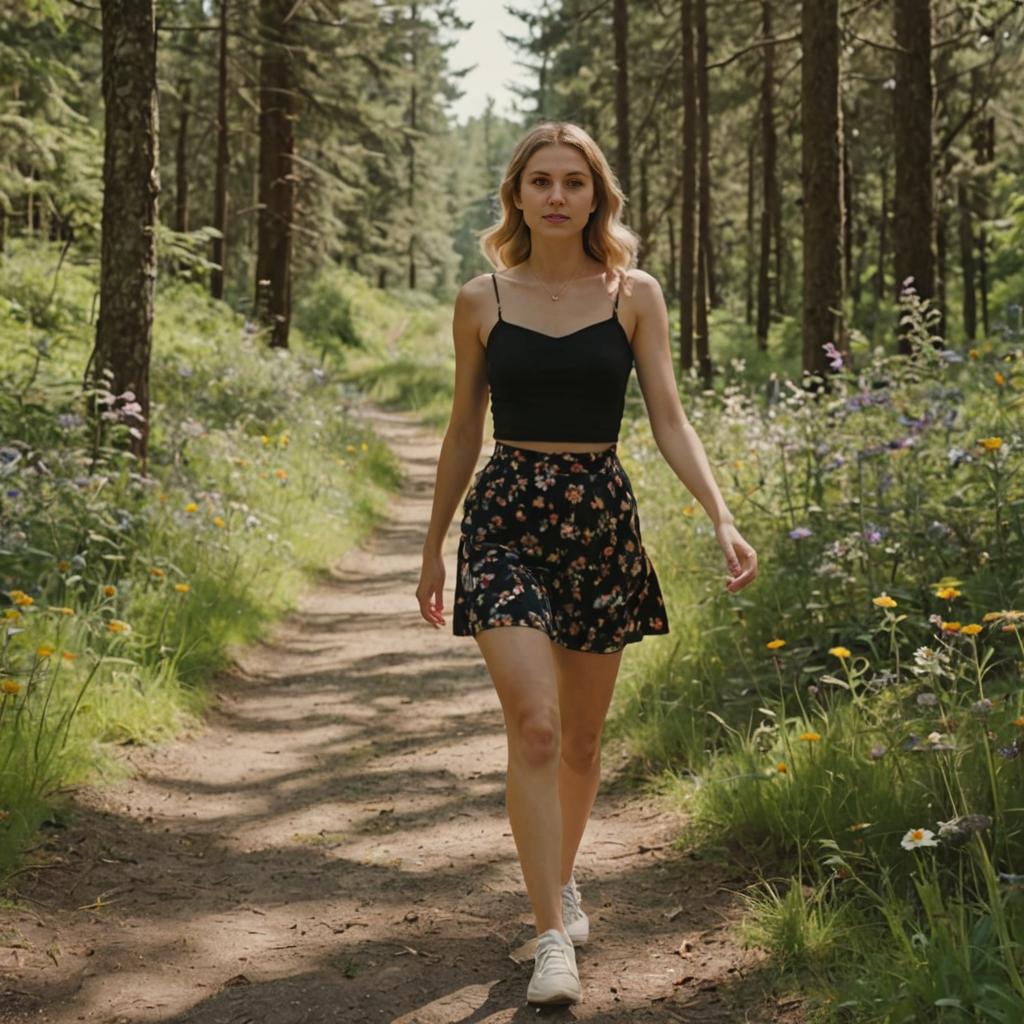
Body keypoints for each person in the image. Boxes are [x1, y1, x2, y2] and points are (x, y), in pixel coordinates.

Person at [416, 121, 757, 1006]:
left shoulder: (632, 293)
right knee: (533, 725)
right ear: (518, 195)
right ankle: (546, 942)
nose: (558, 195)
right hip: (506, 517)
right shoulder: (481, 298)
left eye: (575, 181)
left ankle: (562, 881)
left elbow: (670, 419)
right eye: (541, 181)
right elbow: (461, 431)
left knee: (581, 736)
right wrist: (433, 545)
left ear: (597, 196)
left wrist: (720, 516)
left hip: (600, 518)